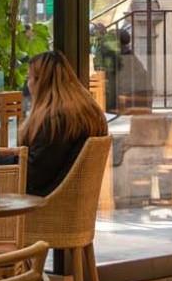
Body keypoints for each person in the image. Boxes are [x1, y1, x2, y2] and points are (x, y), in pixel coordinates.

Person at [17, 51, 108, 196]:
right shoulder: (88, 112)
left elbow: (33, 175)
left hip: (43, 206)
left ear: (40, 82)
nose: (28, 84)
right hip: (71, 201)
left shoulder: (56, 121)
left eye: (29, 78)